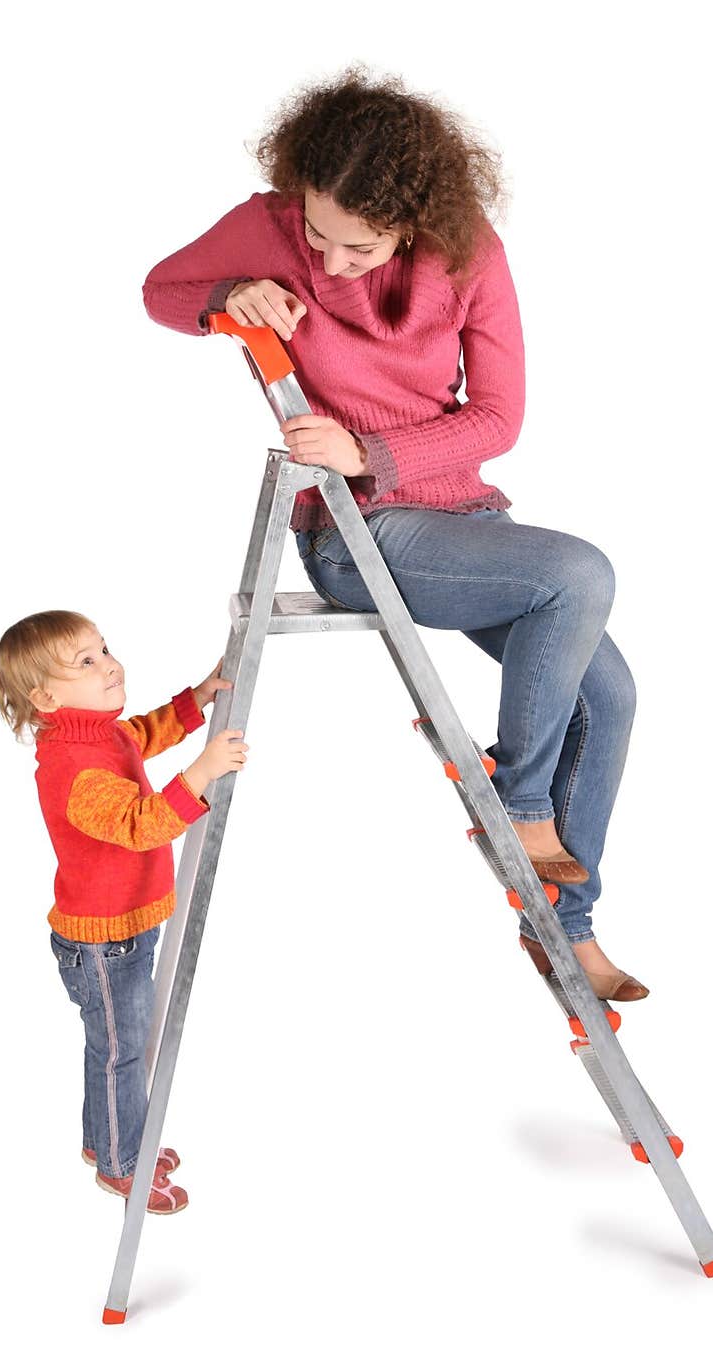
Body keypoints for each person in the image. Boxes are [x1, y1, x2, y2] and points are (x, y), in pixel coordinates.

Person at [141, 66, 646, 1002]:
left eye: (359, 246)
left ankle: (567, 929)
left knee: (606, 697)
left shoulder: (472, 254)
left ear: (412, 222)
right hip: (354, 535)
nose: (329, 263)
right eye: (318, 236)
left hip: (458, 519)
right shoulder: (273, 225)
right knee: (580, 573)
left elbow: (498, 419)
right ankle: (520, 800)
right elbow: (161, 291)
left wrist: (367, 447)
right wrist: (235, 292)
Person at [0, 610, 249, 1213]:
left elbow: (141, 735)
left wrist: (195, 701)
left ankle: (104, 1139)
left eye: (104, 649)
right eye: (87, 662)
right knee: (121, 1051)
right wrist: (202, 773)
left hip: (124, 928)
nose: (110, 664)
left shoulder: (97, 734)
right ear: (46, 697)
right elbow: (141, 825)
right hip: (105, 945)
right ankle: (120, 1162)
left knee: (111, 1046)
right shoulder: (73, 768)